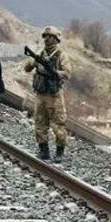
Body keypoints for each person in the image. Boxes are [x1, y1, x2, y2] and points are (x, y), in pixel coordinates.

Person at [24, 26, 71, 161]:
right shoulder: (40, 53)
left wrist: (54, 72)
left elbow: (67, 73)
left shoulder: (61, 55)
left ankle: (59, 152)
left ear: (56, 39)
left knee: (58, 124)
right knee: (39, 122)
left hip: (54, 95)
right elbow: (27, 68)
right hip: (40, 94)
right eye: (45, 36)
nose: (46, 39)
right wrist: (33, 61)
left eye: (49, 37)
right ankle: (44, 150)